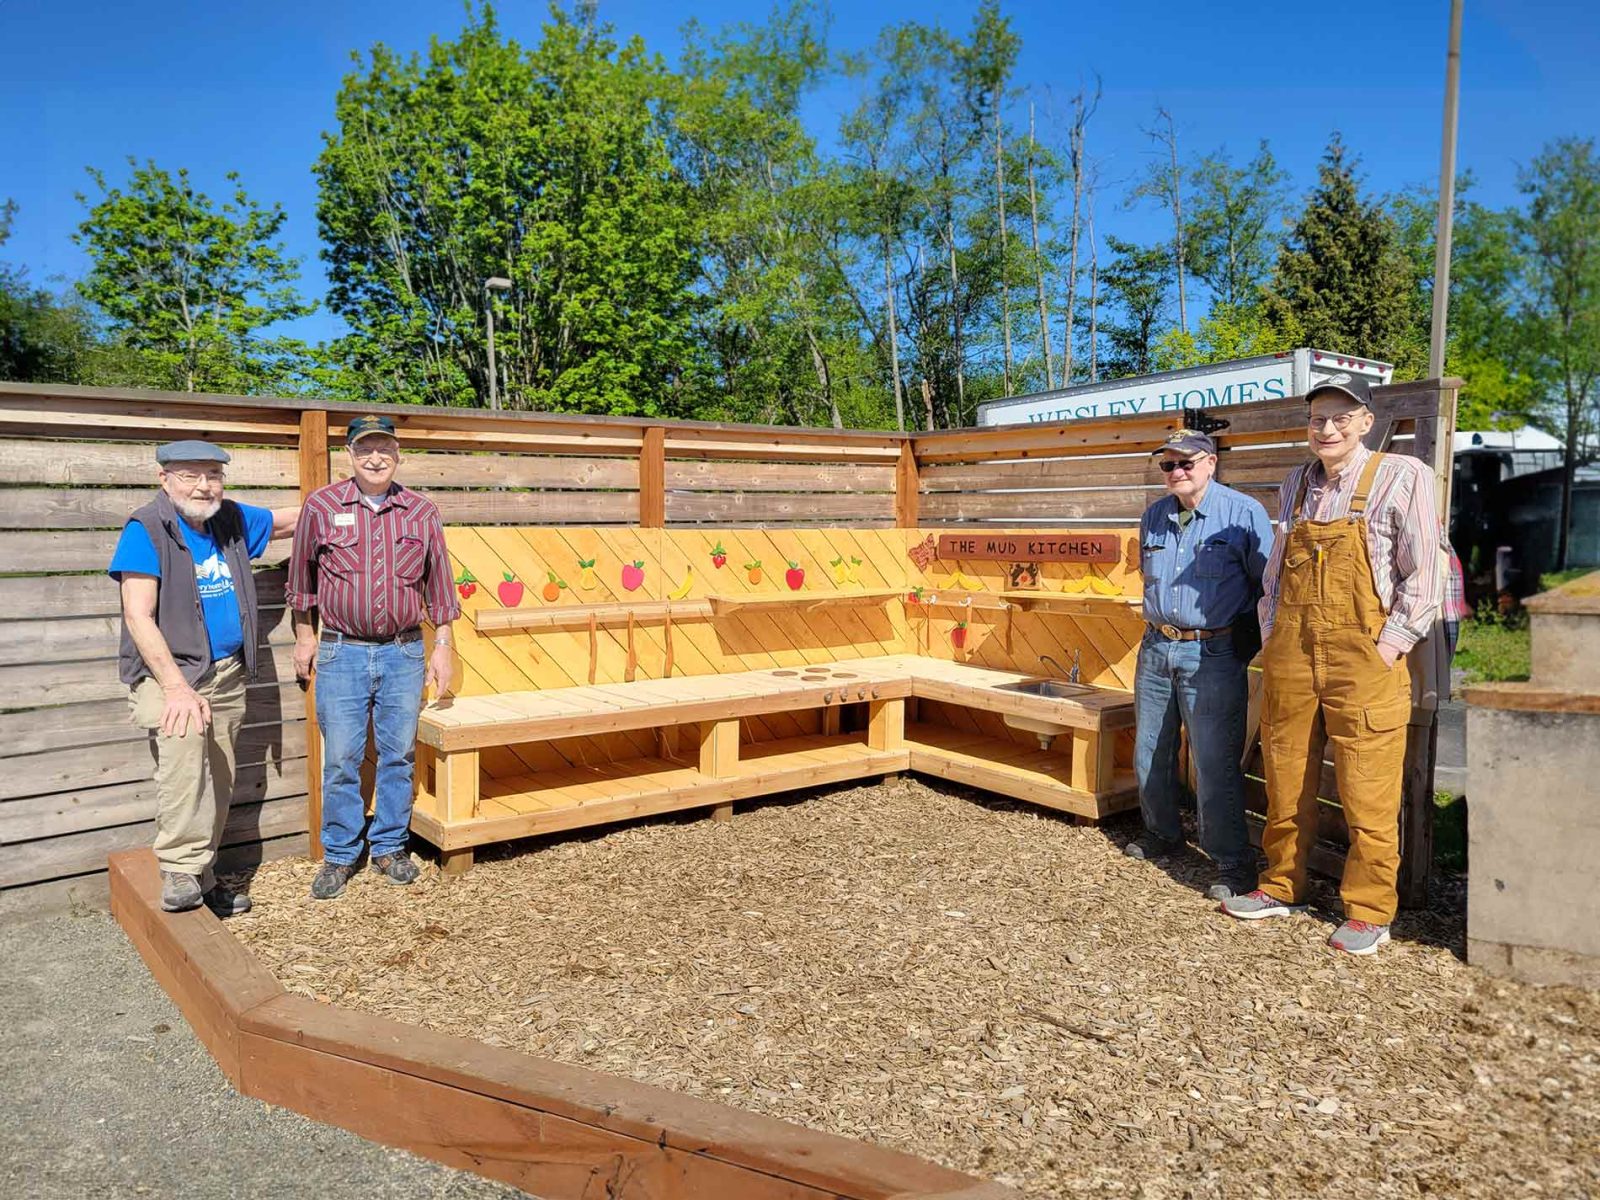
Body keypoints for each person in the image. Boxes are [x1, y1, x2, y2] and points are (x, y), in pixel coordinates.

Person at [1221, 374, 1442, 956]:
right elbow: (1273, 576)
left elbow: (1427, 575)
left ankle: (1369, 912)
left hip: (1364, 655)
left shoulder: (1404, 475)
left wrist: (1389, 645)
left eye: (1342, 416)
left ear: (1367, 421)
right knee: (1286, 774)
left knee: (1367, 787)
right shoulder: (1294, 483)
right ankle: (1280, 885)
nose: (1329, 427)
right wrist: (1273, 634)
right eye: (1319, 417)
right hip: (1292, 652)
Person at [109, 441, 298, 915]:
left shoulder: (229, 519)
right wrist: (176, 687)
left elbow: (289, 520)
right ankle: (178, 868)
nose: (203, 485)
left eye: (212, 474)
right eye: (190, 475)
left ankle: (203, 876)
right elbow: (137, 616)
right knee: (184, 770)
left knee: (218, 778)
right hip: (171, 676)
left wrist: (353, 497)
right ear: (165, 479)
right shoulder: (146, 529)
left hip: (227, 675)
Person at [287, 415, 458, 901]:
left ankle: (389, 847)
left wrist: (442, 646)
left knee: (398, 755)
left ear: (398, 455)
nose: (375, 458)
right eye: (365, 450)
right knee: (340, 758)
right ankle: (340, 855)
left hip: (404, 652)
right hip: (341, 651)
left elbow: (439, 585)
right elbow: (301, 583)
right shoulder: (320, 507)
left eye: (384, 448)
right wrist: (305, 637)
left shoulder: (421, 511)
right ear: (349, 455)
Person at [1128, 430, 1274, 900]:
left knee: (1214, 761)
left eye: (1185, 463)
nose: (1176, 473)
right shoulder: (1153, 516)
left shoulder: (1243, 513)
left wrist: (1242, 645)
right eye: (1167, 466)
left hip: (1212, 652)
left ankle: (1231, 862)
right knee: (1150, 749)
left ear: (1210, 463)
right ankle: (1162, 834)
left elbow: (1267, 585)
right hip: (1155, 646)